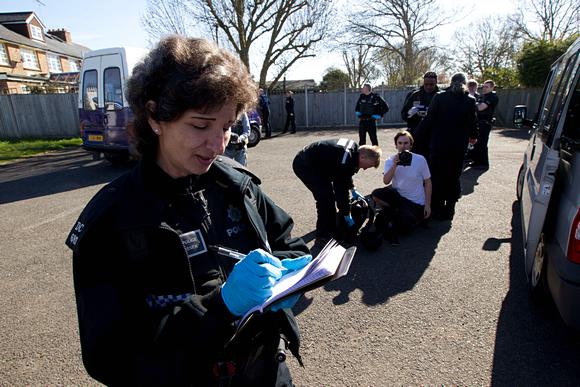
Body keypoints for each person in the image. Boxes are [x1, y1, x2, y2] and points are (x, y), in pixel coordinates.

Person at [65, 35, 312, 386]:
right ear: (155, 117)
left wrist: (289, 277)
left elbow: (289, 242)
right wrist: (219, 307)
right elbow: (108, 355)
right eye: (200, 125)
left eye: (227, 127)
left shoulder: (237, 186)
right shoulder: (112, 220)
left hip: (267, 370)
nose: (218, 144)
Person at [414, 73, 478, 220]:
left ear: (451, 82)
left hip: (439, 145)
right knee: (453, 176)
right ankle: (450, 209)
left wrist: (414, 137)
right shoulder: (470, 100)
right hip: (458, 146)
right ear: (465, 83)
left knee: (436, 175)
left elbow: (428, 120)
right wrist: (474, 137)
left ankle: (435, 207)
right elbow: (472, 123)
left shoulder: (440, 97)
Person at [292, 138, 382, 242]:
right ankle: (322, 235)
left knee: (329, 196)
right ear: (362, 157)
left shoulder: (354, 150)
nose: (365, 169)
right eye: (368, 166)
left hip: (319, 164)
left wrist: (353, 189)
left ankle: (331, 227)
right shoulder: (345, 160)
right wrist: (347, 214)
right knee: (325, 199)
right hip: (305, 165)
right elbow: (341, 192)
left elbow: (347, 173)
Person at [371, 130, 432, 244]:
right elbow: (386, 181)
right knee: (376, 194)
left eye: (406, 143)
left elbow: (428, 182)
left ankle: (394, 217)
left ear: (411, 145)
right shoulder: (391, 160)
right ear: (396, 145)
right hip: (398, 196)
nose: (403, 146)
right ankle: (393, 214)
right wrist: (395, 164)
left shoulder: (420, 159)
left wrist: (427, 205)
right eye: (400, 143)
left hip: (415, 202)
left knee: (404, 229)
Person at [400, 71, 439, 158]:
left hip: (434, 135)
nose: (428, 86)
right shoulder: (414, 95)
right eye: (426, 84)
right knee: (416, 160)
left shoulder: (441, 96)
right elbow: (403, 114)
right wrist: (410, 114)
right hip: (416, 134)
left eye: (431, 84)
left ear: (436, 82)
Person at [470, 79, 499, 169]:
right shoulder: (482, 96)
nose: (484, 88)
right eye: (484, 86)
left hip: (485, 123)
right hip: (478, 122)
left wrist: (472, 105)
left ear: (492, 87)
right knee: (477, 143)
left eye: (487, 87)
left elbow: (481, 108)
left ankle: (483, 164)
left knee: (482, 143)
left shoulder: (492, 97)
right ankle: (476, 161)